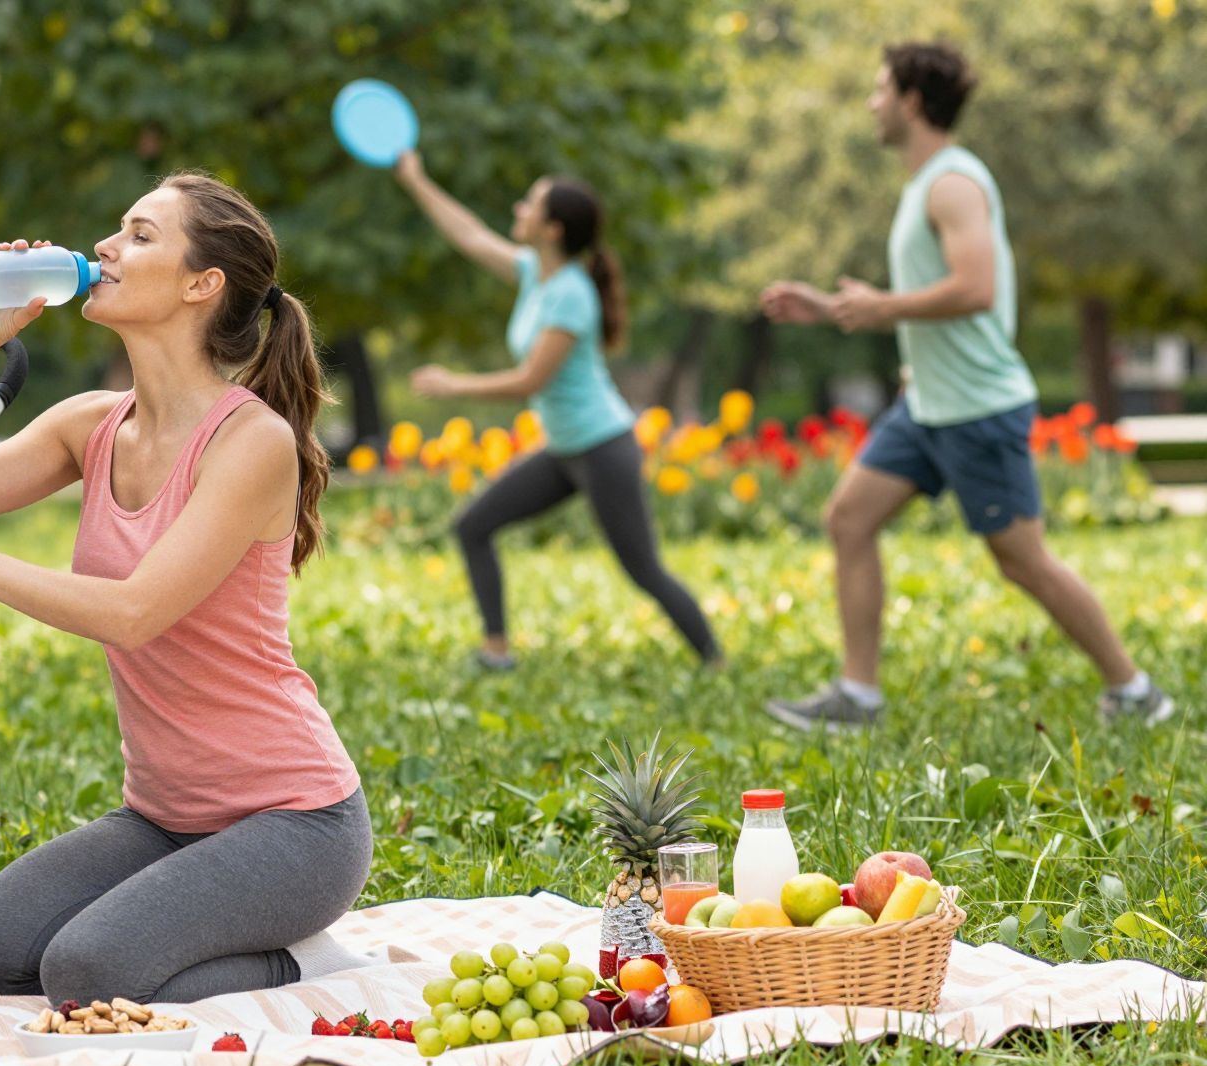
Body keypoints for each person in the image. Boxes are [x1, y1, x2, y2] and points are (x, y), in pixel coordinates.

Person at [0, 172, 373, 1004]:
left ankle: (304, 964)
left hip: (295, 824)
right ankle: (186, 916)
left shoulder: (252, 443)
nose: (105, 247)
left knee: (89, 972)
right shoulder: (93, 424)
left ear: (200, 285)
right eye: (117, 230)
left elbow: (135, 613)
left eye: (140, 236)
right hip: (164, 819)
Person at [760, 42, 1173, 729]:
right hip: (927, 405)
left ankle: (1134, 690)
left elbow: (975, 289)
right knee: (848, 519)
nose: (872, 103)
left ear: (912, 101)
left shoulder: (953, 183)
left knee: (1024, 563)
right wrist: (829, 307)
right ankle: (857, 696)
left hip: (977, 409)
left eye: (879, 88)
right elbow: (927, 294)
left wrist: (883, 306)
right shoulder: (926, 185)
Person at [392, 151, 721, 669]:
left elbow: (531, 380)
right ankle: (496, 651)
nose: (520, 207)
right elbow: (470, 235)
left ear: (552, 228)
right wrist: (416, 180)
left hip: (603, 446)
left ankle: (714, 661)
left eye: (532, 203)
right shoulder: (534, 273)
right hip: (565, 449)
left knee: (642, 569)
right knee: (473, 526)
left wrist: (453, 383)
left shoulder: (572, 295)